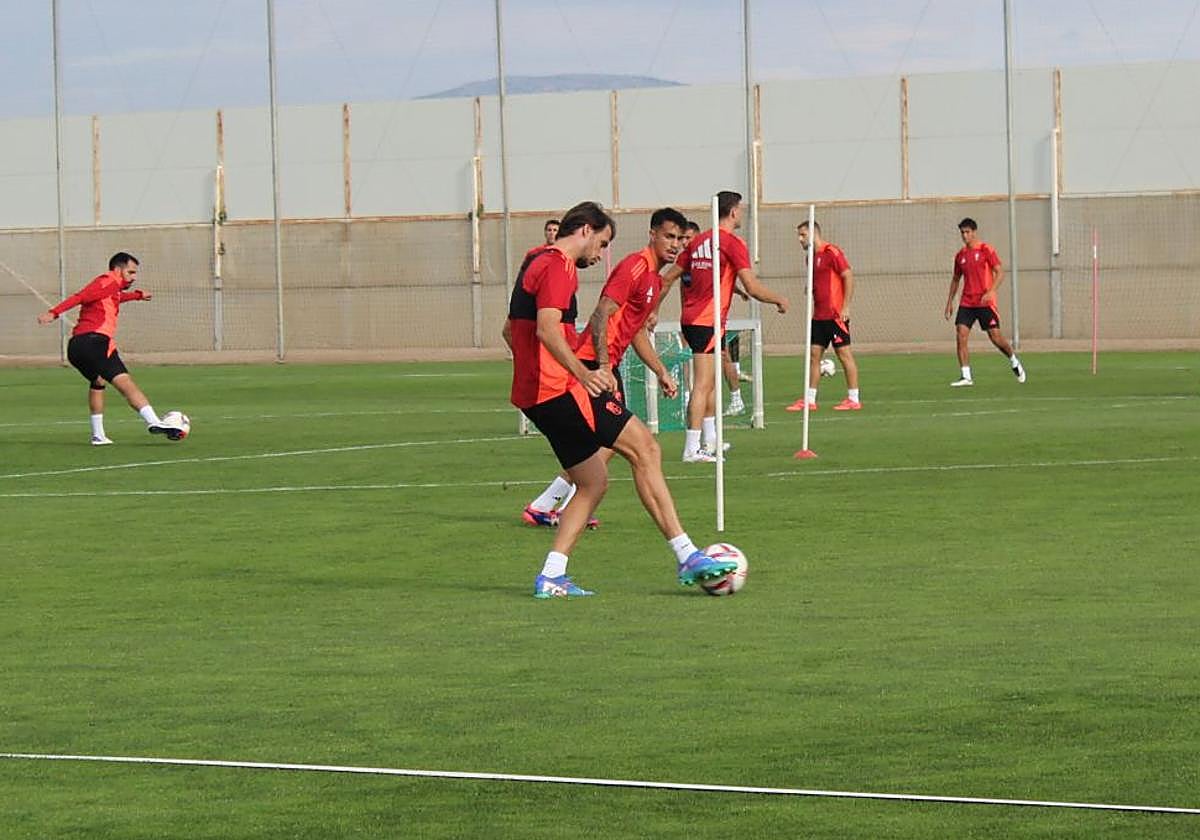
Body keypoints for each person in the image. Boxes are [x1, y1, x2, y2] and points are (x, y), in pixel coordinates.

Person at [503, 201, 735, 598]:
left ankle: (551, 575)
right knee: (645, 448)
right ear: (586, 230)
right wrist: (586, 373)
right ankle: (687, 554)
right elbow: (549, 329)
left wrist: (658, 369)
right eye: (602, 243)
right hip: (564, 385)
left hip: (537, 393)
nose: (600, 254)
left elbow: (510, 331)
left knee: (593, 481)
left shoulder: (534, 259)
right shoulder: (561, 267)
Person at [522, 207, 688, 528]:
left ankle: (551, 503)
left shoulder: (653, 278)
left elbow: (634, 330)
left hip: (606, 365)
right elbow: (601, 314)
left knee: (611, 444)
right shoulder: (635, 267)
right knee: (632, 445)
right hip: (591, 363)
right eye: (669, 236)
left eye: (680, 239)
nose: (675, 244)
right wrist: (601, 365)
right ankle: (556, 504)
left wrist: (660, 370)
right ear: (652, 234)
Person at [661, 191, 789, 462]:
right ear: (732, 212)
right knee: (703, 384)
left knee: (709, 382)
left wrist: (654, 310)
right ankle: (691, 448)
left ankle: (710, 441)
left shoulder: (698, 242)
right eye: (740, 209)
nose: (741, 214)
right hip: (707, 321)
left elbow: (668, 277)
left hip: (695, 319)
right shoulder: (731, 243)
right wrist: (778, 298)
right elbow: (752, 286)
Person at [36, 252, 185, 445]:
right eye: (131, 272)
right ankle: (154, 422)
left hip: (76, 347)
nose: (134, 277)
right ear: (118, 269)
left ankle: (98, 435)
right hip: (96, 342)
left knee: (98, 382)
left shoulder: (112, 288)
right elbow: (80, 297)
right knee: (125, 383)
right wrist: (53, 313)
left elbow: (115, 297)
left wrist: (137, 296)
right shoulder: (107, 281)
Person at [786, 220, 862, 412]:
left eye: (802, 235)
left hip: (835, 315)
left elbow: (848, 276)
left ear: (813, 233)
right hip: (818, 316)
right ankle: (809, 399)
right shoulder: (810, 258)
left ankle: (853, 398)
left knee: (844, 355)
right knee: (813, 356)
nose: (799, 239)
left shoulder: (832, 252)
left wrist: (845, 307)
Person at [943, 218, 1026, 386]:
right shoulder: (960, 256)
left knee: (995, 338)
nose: (965, 236)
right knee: (961, 334)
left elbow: (1000, 272)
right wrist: (949, 302)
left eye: (967, 232)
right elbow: (956, 279)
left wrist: (991, 291)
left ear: (974, 232)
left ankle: (1014, 361)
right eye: (962, 233)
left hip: (984, 302)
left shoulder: (986, 250)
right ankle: (966, 376)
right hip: (967, 302)